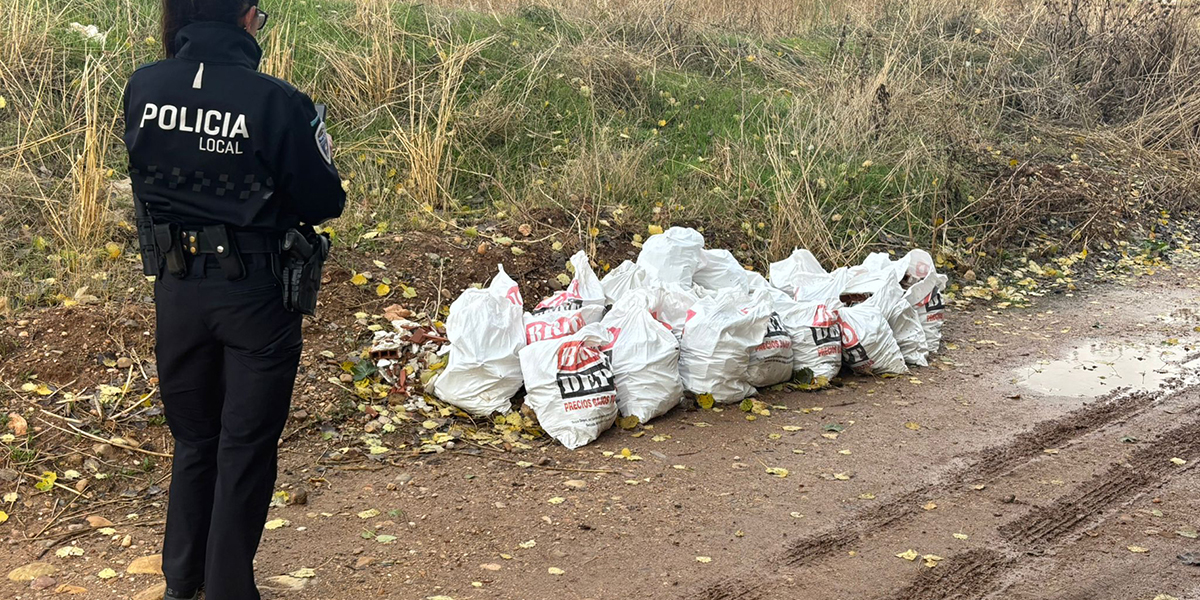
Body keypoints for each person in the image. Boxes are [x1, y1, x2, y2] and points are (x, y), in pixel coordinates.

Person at [122, 1, 345, 598]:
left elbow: (147, 176)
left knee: (194, 439)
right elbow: (325, 199)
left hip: (176, 287)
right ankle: (227, 589)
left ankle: (182, 583)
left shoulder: (144, 86)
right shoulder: (277, 102)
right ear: (247, 18)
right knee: (245, 445)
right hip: (255, 291)